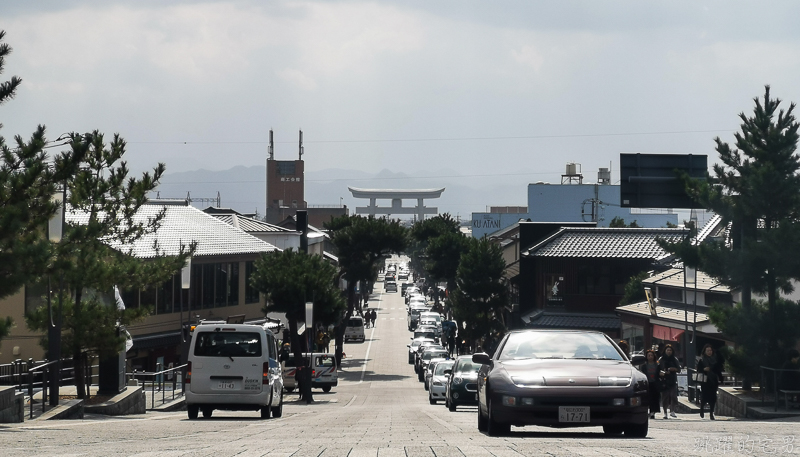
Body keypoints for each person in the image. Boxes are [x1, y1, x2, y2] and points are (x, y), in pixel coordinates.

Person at [695, 344, 723, 419]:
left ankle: (711, 413)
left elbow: (718, 370)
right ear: (705, 351)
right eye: (707, 351)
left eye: (710, 350)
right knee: (705, 396)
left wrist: (720, 378)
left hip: (714, 380)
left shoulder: (715, 359)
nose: (709, 352)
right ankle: (702, 409)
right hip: (705, 381)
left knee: (713, 397)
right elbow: (698, 370)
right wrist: (704, 369)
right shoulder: (702, 360)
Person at [658, 344, 681, 419]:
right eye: (667, 350)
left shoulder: (674, 359)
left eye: (670, 350)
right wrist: (663, 372)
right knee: (665, 397)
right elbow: (657, 369)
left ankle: (672, 410)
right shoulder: (661, 359)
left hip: (673, 380)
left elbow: (679, 369)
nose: (669, 352)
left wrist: (674, 369)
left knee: (673, 396)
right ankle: (665, 412)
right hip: (664, 380)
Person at [638, 349, 661, 419]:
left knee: (655, 398)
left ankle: (653, 411)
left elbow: (660, 373)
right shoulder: (644, 366)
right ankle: (650, 411)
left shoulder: (657, 365)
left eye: (651, 355)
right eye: (649, 355)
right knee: (649, 398)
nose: (650, 357)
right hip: (647, 384)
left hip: (655, 383)